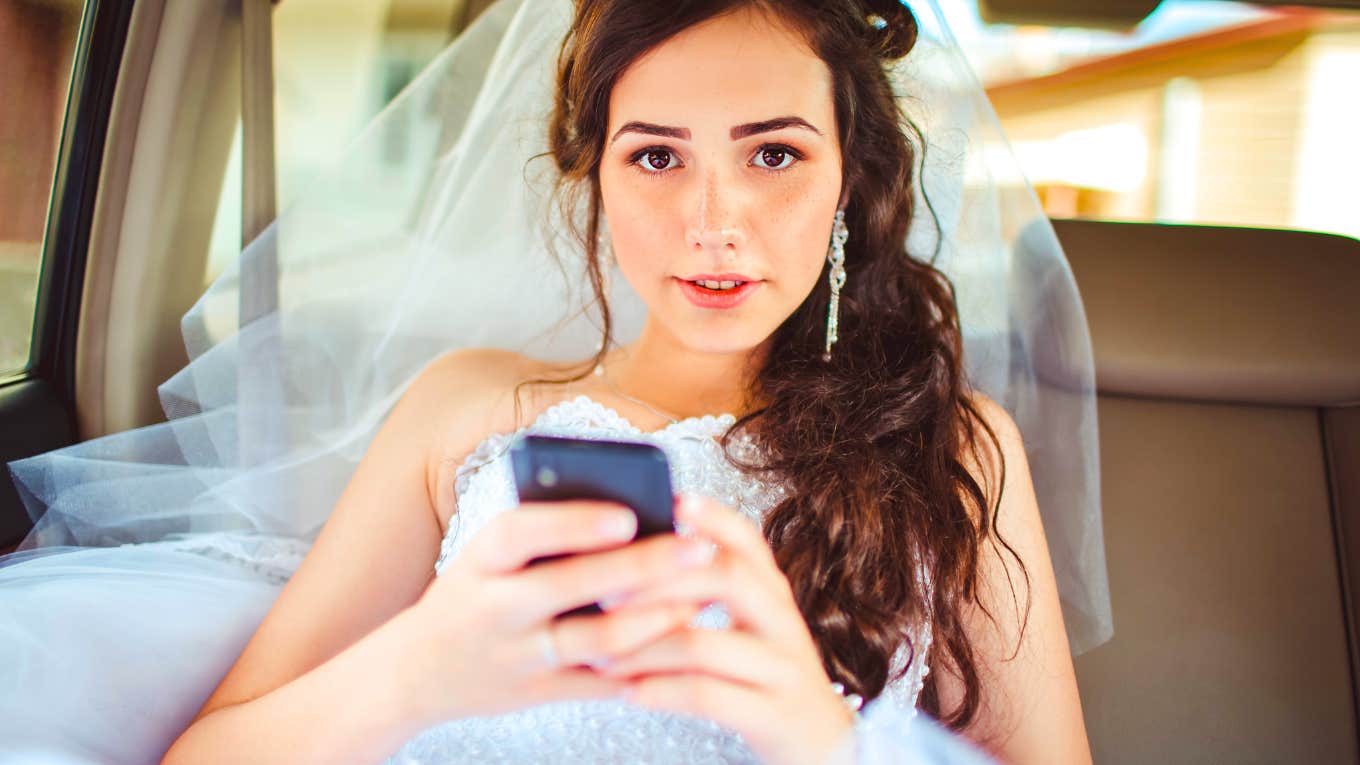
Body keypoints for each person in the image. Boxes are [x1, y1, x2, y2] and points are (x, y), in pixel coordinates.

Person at [0, 1, 1110, 763]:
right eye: (657, 156)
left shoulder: (953, 445)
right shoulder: (465, 407)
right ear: (596, 180)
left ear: (848, 183)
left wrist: (822, 739)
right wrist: (424, 664)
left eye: (772, 154)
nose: (711, 221)